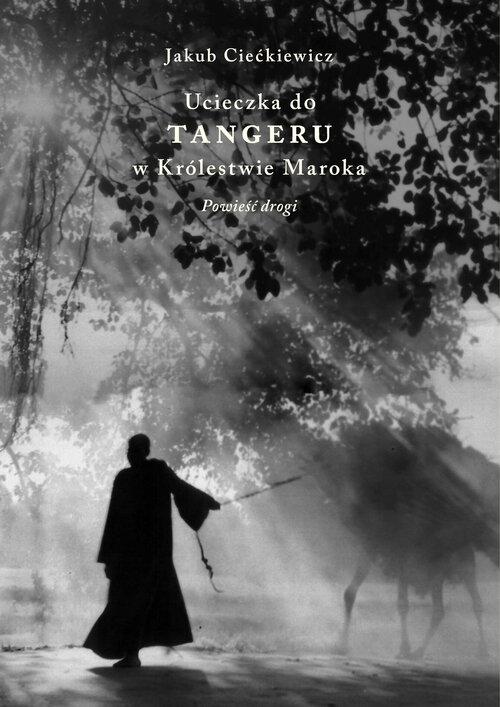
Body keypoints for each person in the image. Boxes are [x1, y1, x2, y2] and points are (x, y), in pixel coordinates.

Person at [83, 433, 220, 667]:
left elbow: (181, 488)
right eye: (129, 449)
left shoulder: (157, 471)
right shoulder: (125, 478)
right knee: (126, 603)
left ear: (145, 451)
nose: (131, 454)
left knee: (137, 604)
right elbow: (113, 519)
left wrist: (206, 501)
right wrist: (108, 558)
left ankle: (131, 654)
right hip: (129, 555)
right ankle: (130, 653)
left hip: (150, 554)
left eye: (135, 449)